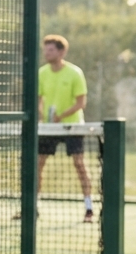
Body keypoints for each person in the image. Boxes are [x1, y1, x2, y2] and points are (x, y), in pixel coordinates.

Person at [36, 34, 93, 222]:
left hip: (72, 127)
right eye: (45, 49)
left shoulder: (75, 73)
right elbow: (39, 100)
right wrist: (43, 116)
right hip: (48, 128)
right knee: (37, 165)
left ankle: (88, 208)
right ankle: (33, 207)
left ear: (62, 52)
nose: (46, 53)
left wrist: (61, 117)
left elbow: (81, 103)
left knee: (79, 164)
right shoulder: (42, 73)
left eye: (50, 50)